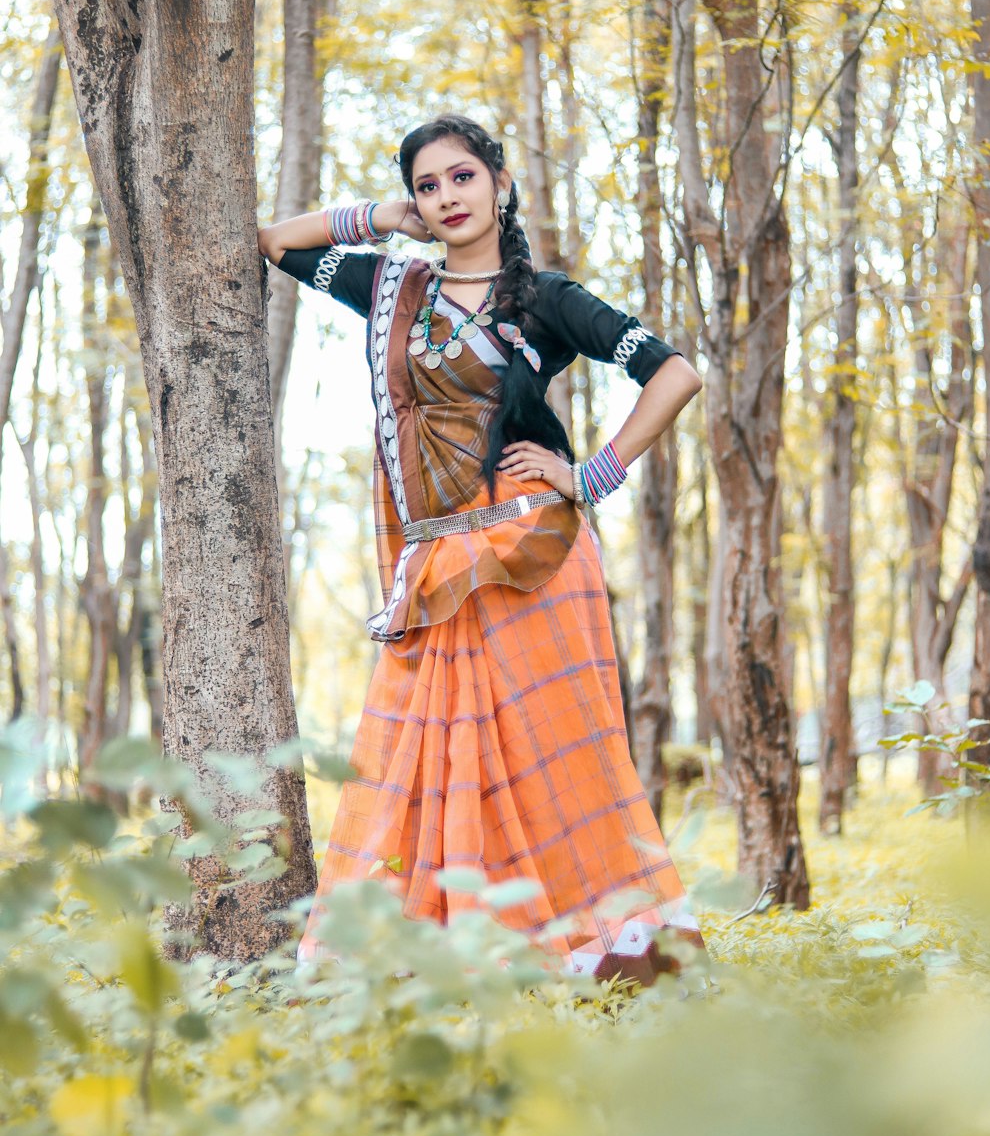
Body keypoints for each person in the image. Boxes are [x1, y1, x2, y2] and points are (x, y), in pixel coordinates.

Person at [257, 114, 705, 984]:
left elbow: (674, 371)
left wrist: (595, 473)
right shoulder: (396, 289)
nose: (447, 197)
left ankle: (605, 964)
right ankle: (439, 963)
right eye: (429, 185)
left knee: (551, 755)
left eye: (462, 177)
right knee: (422, 755)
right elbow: (275, 242)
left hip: (530, 555)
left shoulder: (545, 298)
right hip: (435, 562)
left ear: (499, 182)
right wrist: (384, 216)